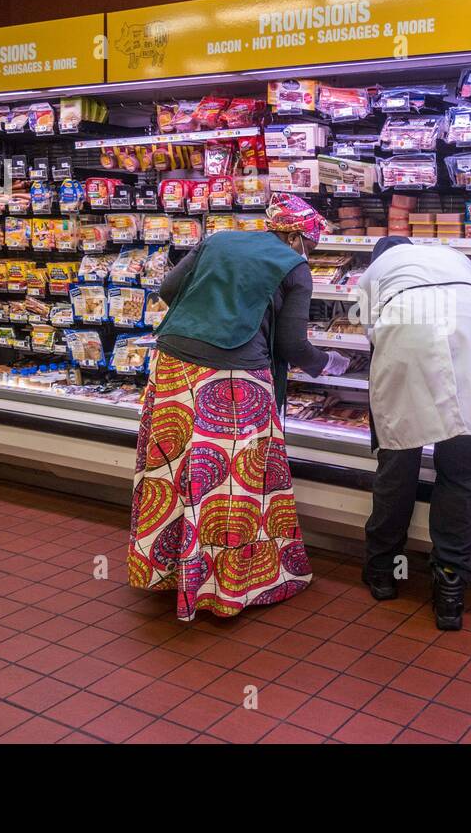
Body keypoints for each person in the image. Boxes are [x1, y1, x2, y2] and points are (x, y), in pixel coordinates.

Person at [127, 193, 350, 621]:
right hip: (232, 381)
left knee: (173, 467)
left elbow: (167, 289)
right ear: (301, 236)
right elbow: (291, 345)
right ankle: (230, 586)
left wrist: (213, 312)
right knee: (234, 482)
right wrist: (330, 364)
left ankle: (168, 569)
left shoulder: (218, 239)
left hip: (173, 363)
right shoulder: (295, 267)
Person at [354, 237, 471, 630]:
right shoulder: (453, 257)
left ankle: (383, 572)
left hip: (407, 336)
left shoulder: (374, 273)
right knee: (460, 473)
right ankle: (450, 590)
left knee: (398, 463)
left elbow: (373, 337)